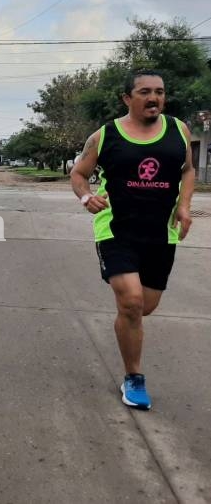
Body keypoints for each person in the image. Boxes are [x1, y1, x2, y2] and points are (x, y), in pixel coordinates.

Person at [70, 69, 194, 410]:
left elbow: (187, 170)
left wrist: (184, 206)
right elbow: (78, 173)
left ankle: (129, 321)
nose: (153, 98)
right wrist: (86, 198)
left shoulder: (179, 130)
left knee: (145, 307)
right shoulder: (105, 135)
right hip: (116, 229)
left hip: (160, 232)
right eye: (144, 92)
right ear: (127, 98)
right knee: (132, 302)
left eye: (159, 91)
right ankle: (134, 377)